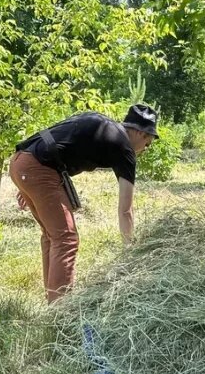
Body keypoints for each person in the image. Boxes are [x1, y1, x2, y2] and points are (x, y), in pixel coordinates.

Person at [9, 104, 158, 302]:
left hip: (22, 160)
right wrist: (130, 251)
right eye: (147, 144)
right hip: (38, 168)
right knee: (66, 238)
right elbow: (125, 211)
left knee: (52, 236)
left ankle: (53, 300)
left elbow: (53, 138)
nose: (144, 150)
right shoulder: (124, 149)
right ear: (141, 133)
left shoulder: (103, 124)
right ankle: (60, 310)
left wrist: (27, 178)